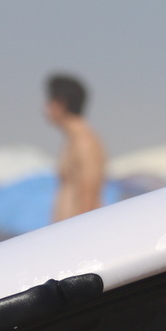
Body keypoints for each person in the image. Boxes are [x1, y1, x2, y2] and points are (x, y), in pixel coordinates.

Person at [44, 72, 106, 221]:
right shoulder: (73, 141)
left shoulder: (84, 143)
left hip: (79, 236)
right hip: (69, 235)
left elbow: (88, 199)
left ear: (60, 104)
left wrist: (74, 238)